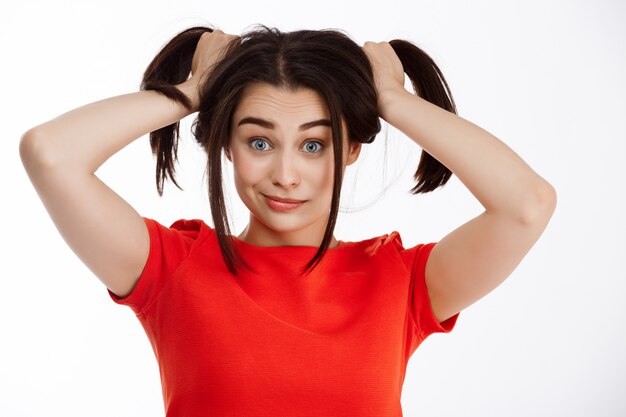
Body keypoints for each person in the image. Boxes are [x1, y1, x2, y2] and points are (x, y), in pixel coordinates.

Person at [19, 25, 557, 416]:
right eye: (259, 141)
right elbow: (50, 153)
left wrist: (389, 99)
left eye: (314, 144)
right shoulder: (169, 269)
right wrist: (194, 91)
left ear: (350, 150)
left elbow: (527, 204)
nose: (286, 174)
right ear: (226, 144)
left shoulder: (402, 283)